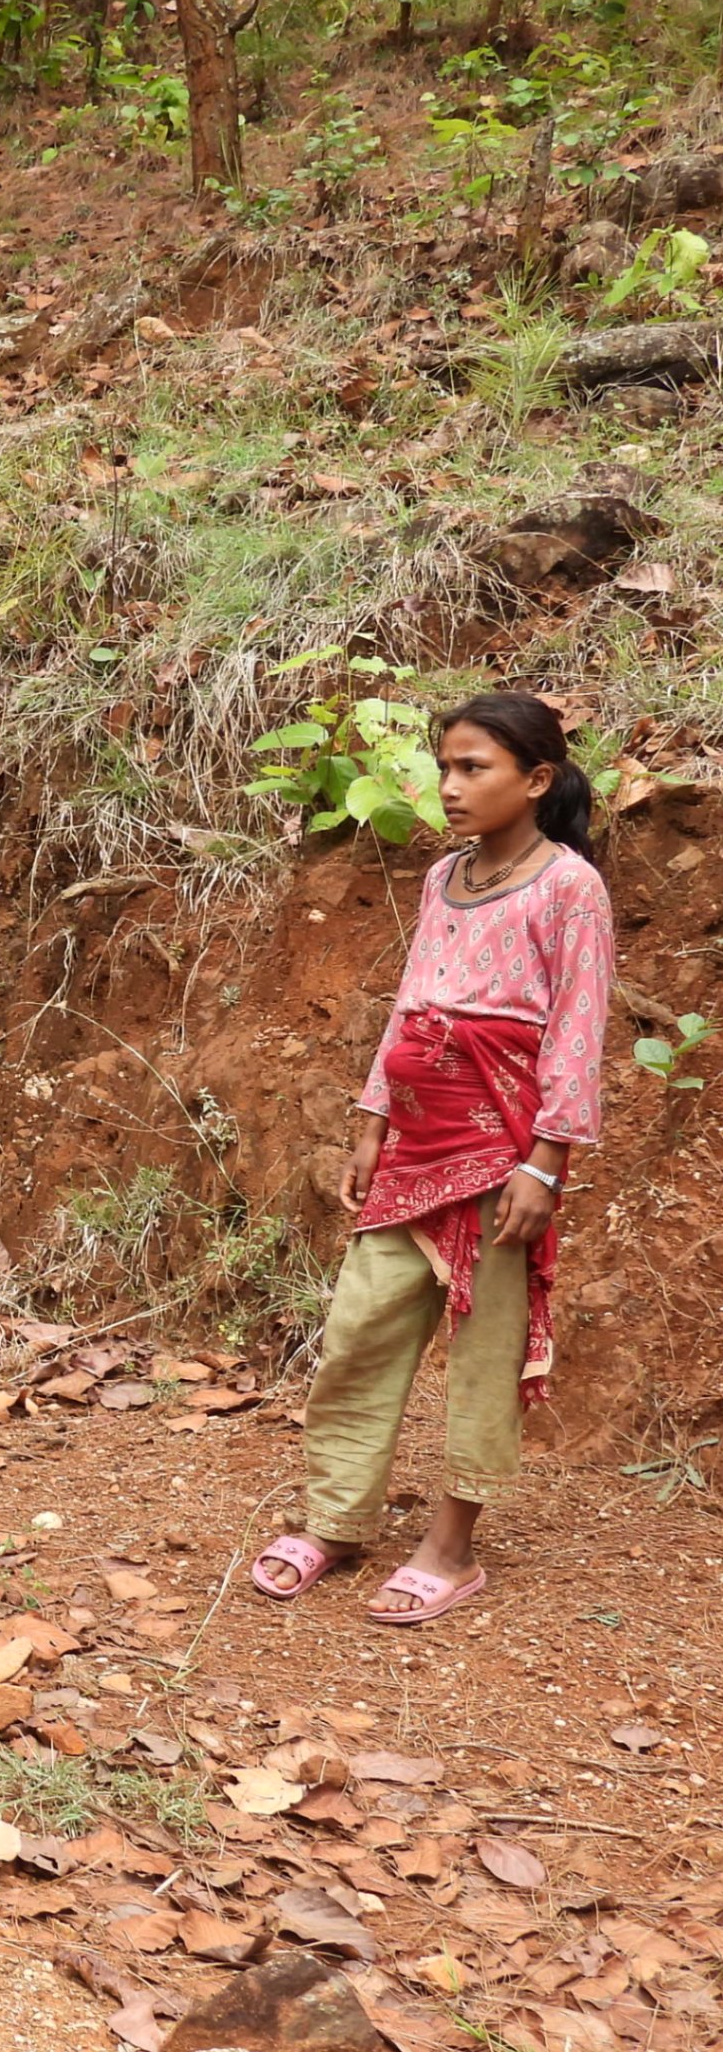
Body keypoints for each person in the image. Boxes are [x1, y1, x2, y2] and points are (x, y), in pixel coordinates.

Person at [247, 692, 613, 1624]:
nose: (446, 786)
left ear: (537, 780)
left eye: (472, 768)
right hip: (415, 1144)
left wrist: (544, 1164)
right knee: (358, 1332)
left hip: (499, 1152)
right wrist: (372, 1117)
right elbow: (412, 1004)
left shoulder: (569, 886)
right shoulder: (442, 878)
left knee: (484, 1353)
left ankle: (452, 1546)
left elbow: (576, 1031)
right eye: (442, 765)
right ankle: (335, 1519)